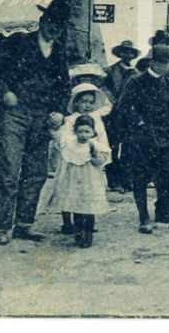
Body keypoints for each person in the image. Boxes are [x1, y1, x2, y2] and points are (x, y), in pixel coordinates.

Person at [0, 0, 72, 246]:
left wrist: (60, 111)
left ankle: (23, 225)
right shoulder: (18, 42)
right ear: (42, 21)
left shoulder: (60, 52)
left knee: (37, 173)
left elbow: (64, 87)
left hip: (42, 118)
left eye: (59, 25)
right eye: (51, 22)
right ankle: (1, 227)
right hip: (15, 114)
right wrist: (4, 92)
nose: (54, 28)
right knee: (9, 170)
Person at [113, 44, 169, 235]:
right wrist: (138, 122)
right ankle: (144, 218)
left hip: (163, 140)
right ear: (152, 62)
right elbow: (123, 108)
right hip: (141, 141)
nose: (167, 66)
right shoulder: (135, 81)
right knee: (140, 180)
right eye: (163, 62)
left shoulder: (168, 84)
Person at [47, 82, 111, 235]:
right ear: (76, 102)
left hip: (89, 164)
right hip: (71, 163)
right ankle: (67, 223)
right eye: (83, 102)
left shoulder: (96, 120)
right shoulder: (70, 120)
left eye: (91, 102)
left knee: (88, 191)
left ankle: (87, 224)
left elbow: (102, 140)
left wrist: (99, 154)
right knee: (69, 191)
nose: (87, 106)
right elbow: (64, 140)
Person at [41, 114, 111, 249]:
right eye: (80, 131)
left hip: (89, 182)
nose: (83, 135)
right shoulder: (71, 144)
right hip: (74, 182)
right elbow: (63, 154)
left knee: (88, 209)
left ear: (93, 132)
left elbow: (100, 162)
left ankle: (88, 233)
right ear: (75, 131)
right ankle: (79, 232)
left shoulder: (95, 145)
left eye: (87, 132)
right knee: (76, 208)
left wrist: (94, 155)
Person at [102, 40, 140, 193]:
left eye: (130, 53)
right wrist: (112, 100)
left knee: (129, 148)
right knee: (111, 146)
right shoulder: (110, 70)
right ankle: (113, 181)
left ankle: (126, 180)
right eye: (124, 52)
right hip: (113, 114)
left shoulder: (136, 73)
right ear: (120, 54)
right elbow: (103, 86)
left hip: (129, 115)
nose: (127, 55)